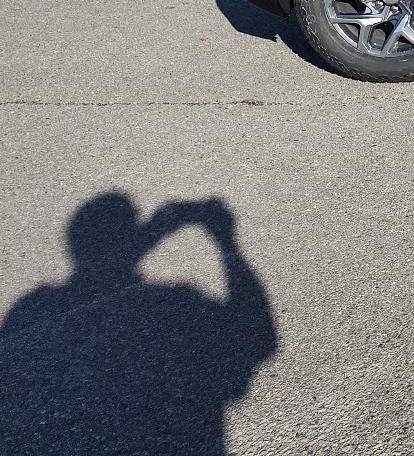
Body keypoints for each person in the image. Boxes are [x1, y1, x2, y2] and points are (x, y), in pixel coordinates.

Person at [0, 193, 278, 455]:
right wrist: (225, 241)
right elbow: (259, 338)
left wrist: (145, 238)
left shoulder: (36, 310)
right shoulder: (172, 305)